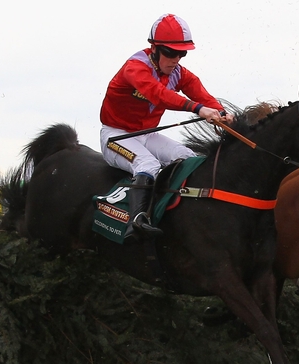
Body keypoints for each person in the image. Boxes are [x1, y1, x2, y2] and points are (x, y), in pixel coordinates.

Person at [99, 13, 234, 241]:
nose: (176, 59)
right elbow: (159, 95)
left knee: (188, 157)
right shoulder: (135, 68)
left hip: (147, 135)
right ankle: (136, 222)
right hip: (116, 136)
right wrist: (198, 109)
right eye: (171, 53)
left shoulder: (178, 73)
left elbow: (200, 92)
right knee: (148, 164)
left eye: (181, 53)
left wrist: (221, 113)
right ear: (154, 49)